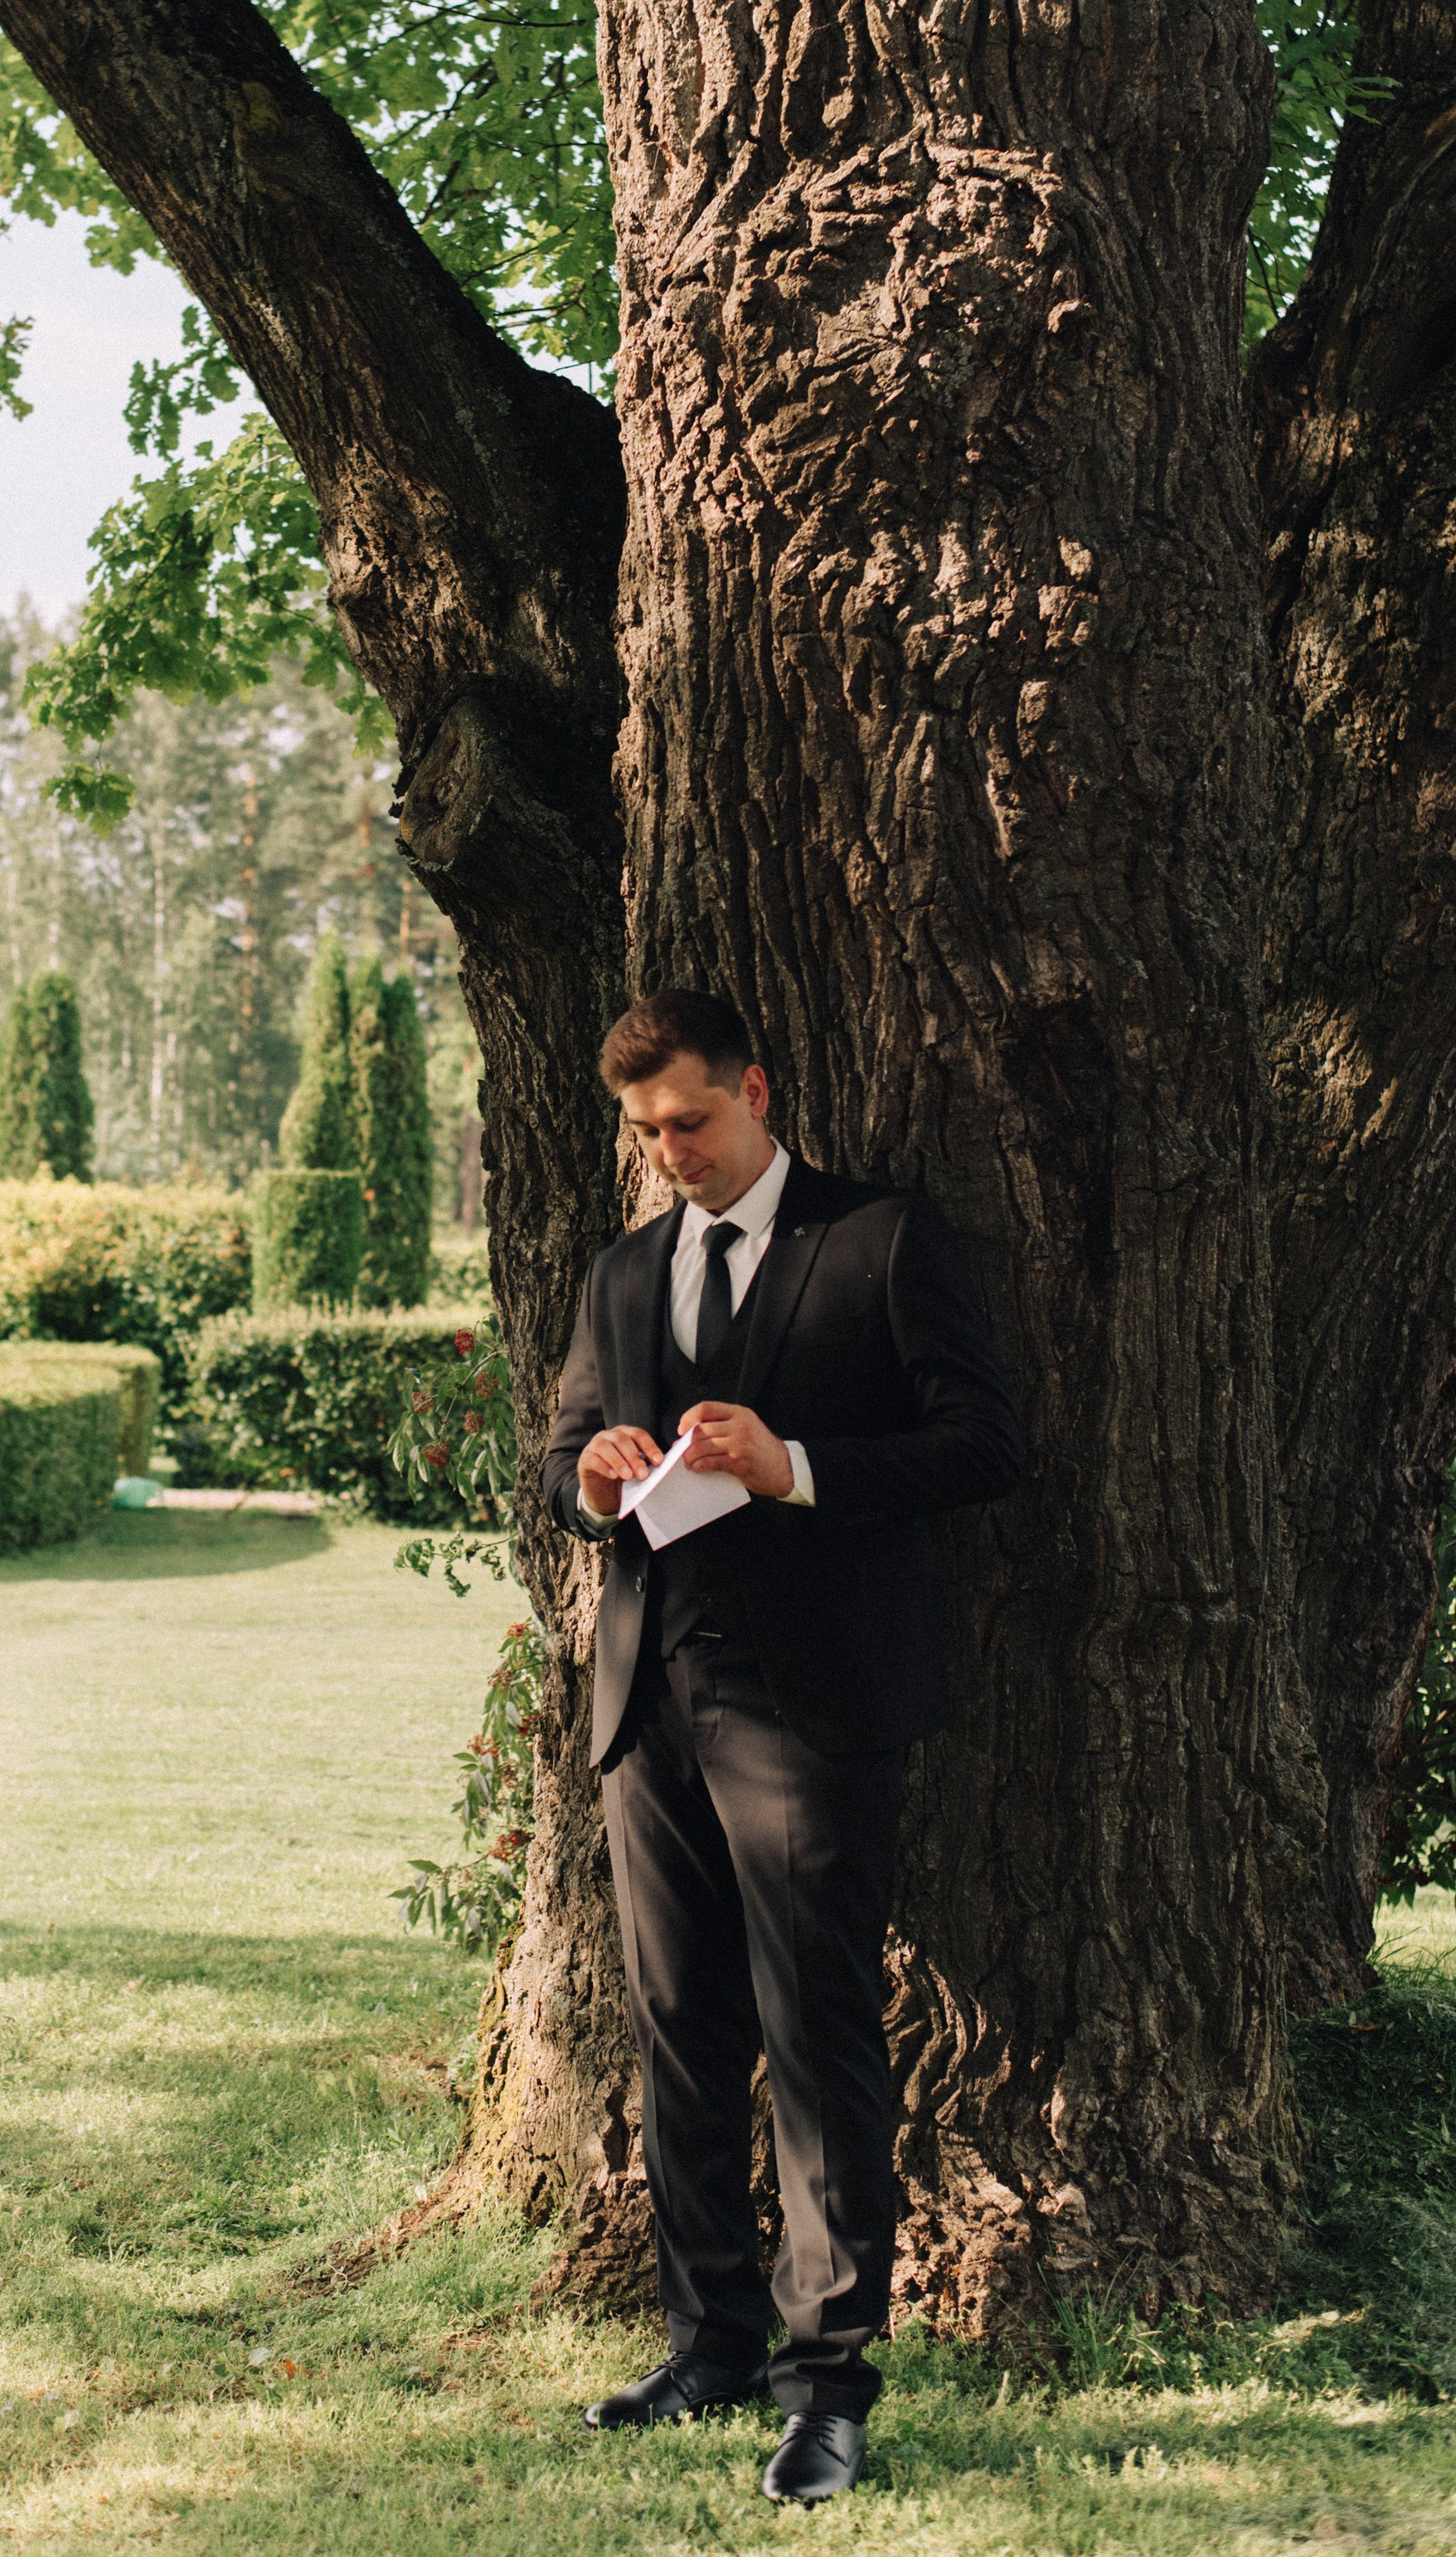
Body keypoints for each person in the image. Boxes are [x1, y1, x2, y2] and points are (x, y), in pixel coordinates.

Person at [545, 988, 1022, 2504]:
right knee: (683, 2034)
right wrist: (600, 1480)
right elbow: (560, 1453)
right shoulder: (626, 1272)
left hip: (816, 1709)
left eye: (690, 1120)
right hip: (652, 1705)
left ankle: (830, 2390)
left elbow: (984, 1442)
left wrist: (798, 1466)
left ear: (754, 1088)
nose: (670, 1152)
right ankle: (711, 2345)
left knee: (817, 2041)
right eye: (646, 1133)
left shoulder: (877, 1237)